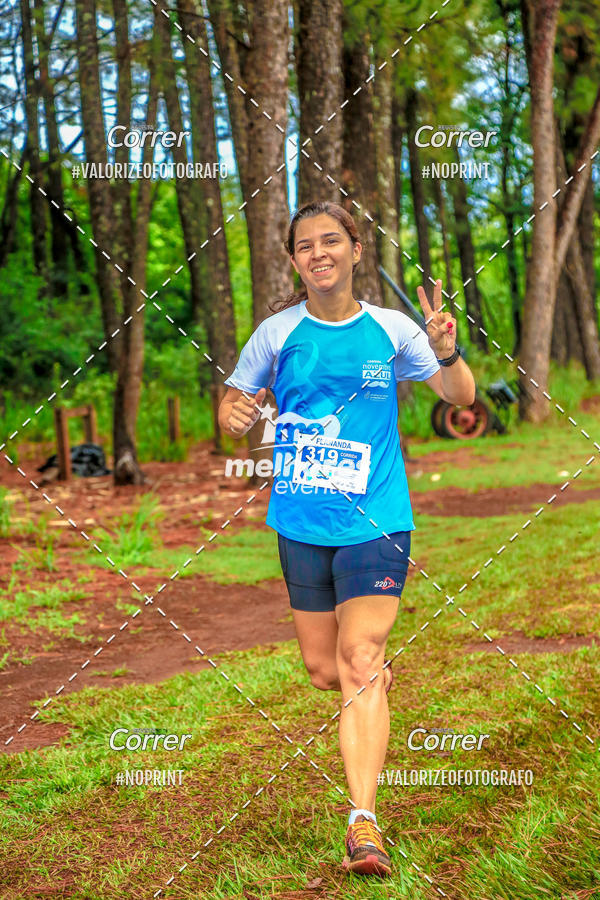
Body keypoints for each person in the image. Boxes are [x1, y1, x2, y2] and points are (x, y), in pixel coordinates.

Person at [218, 199, 475, 878]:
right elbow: (232, 409)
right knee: (326, 671)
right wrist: (236, 413)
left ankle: (363, 824)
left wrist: (447, 350)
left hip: (377, 518)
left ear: (356, 249)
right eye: (306, 246)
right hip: (300, 521)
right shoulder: (276, 334)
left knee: (358, 658)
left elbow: (460, 395)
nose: (320, 253)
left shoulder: (391, 330)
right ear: (295, 260)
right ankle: (374, 681)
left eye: (332, 240)